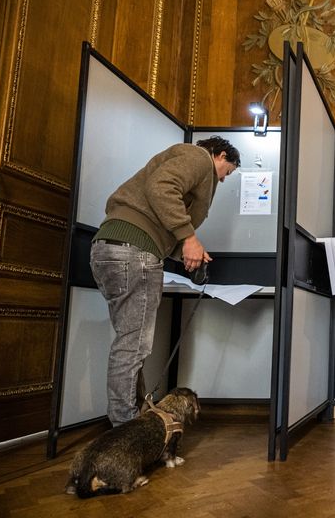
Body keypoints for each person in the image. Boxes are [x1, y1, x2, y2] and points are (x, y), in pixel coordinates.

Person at [90, 136, 240, 426]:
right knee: (133, 346)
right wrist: (188, 236)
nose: (222, 181)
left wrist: (186, 248)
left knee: (129, 342)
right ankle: (127, 429)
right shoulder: (198, 158)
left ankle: (133, 416)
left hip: (109, 247)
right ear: (220, 155)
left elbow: (155, 213)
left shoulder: (180, 157)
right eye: (228, 172)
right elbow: (161, 187)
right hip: (135, 252)